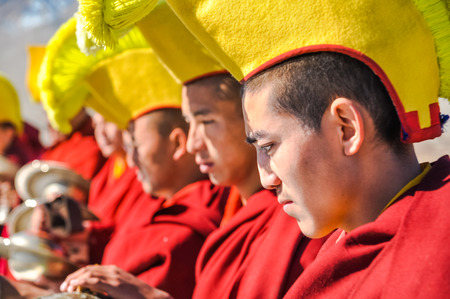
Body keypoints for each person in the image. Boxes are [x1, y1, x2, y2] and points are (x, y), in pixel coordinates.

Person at [76, 0, 450, 297]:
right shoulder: (341, 241)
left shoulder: (433, 260)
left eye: (269, 145)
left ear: (346, 128)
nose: (266, 177)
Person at [61, 3, 326, 298]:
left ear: (251, 123)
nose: (192, 144)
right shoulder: (230, 210)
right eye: (190, 124)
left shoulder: (303, 217)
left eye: (207, 121)